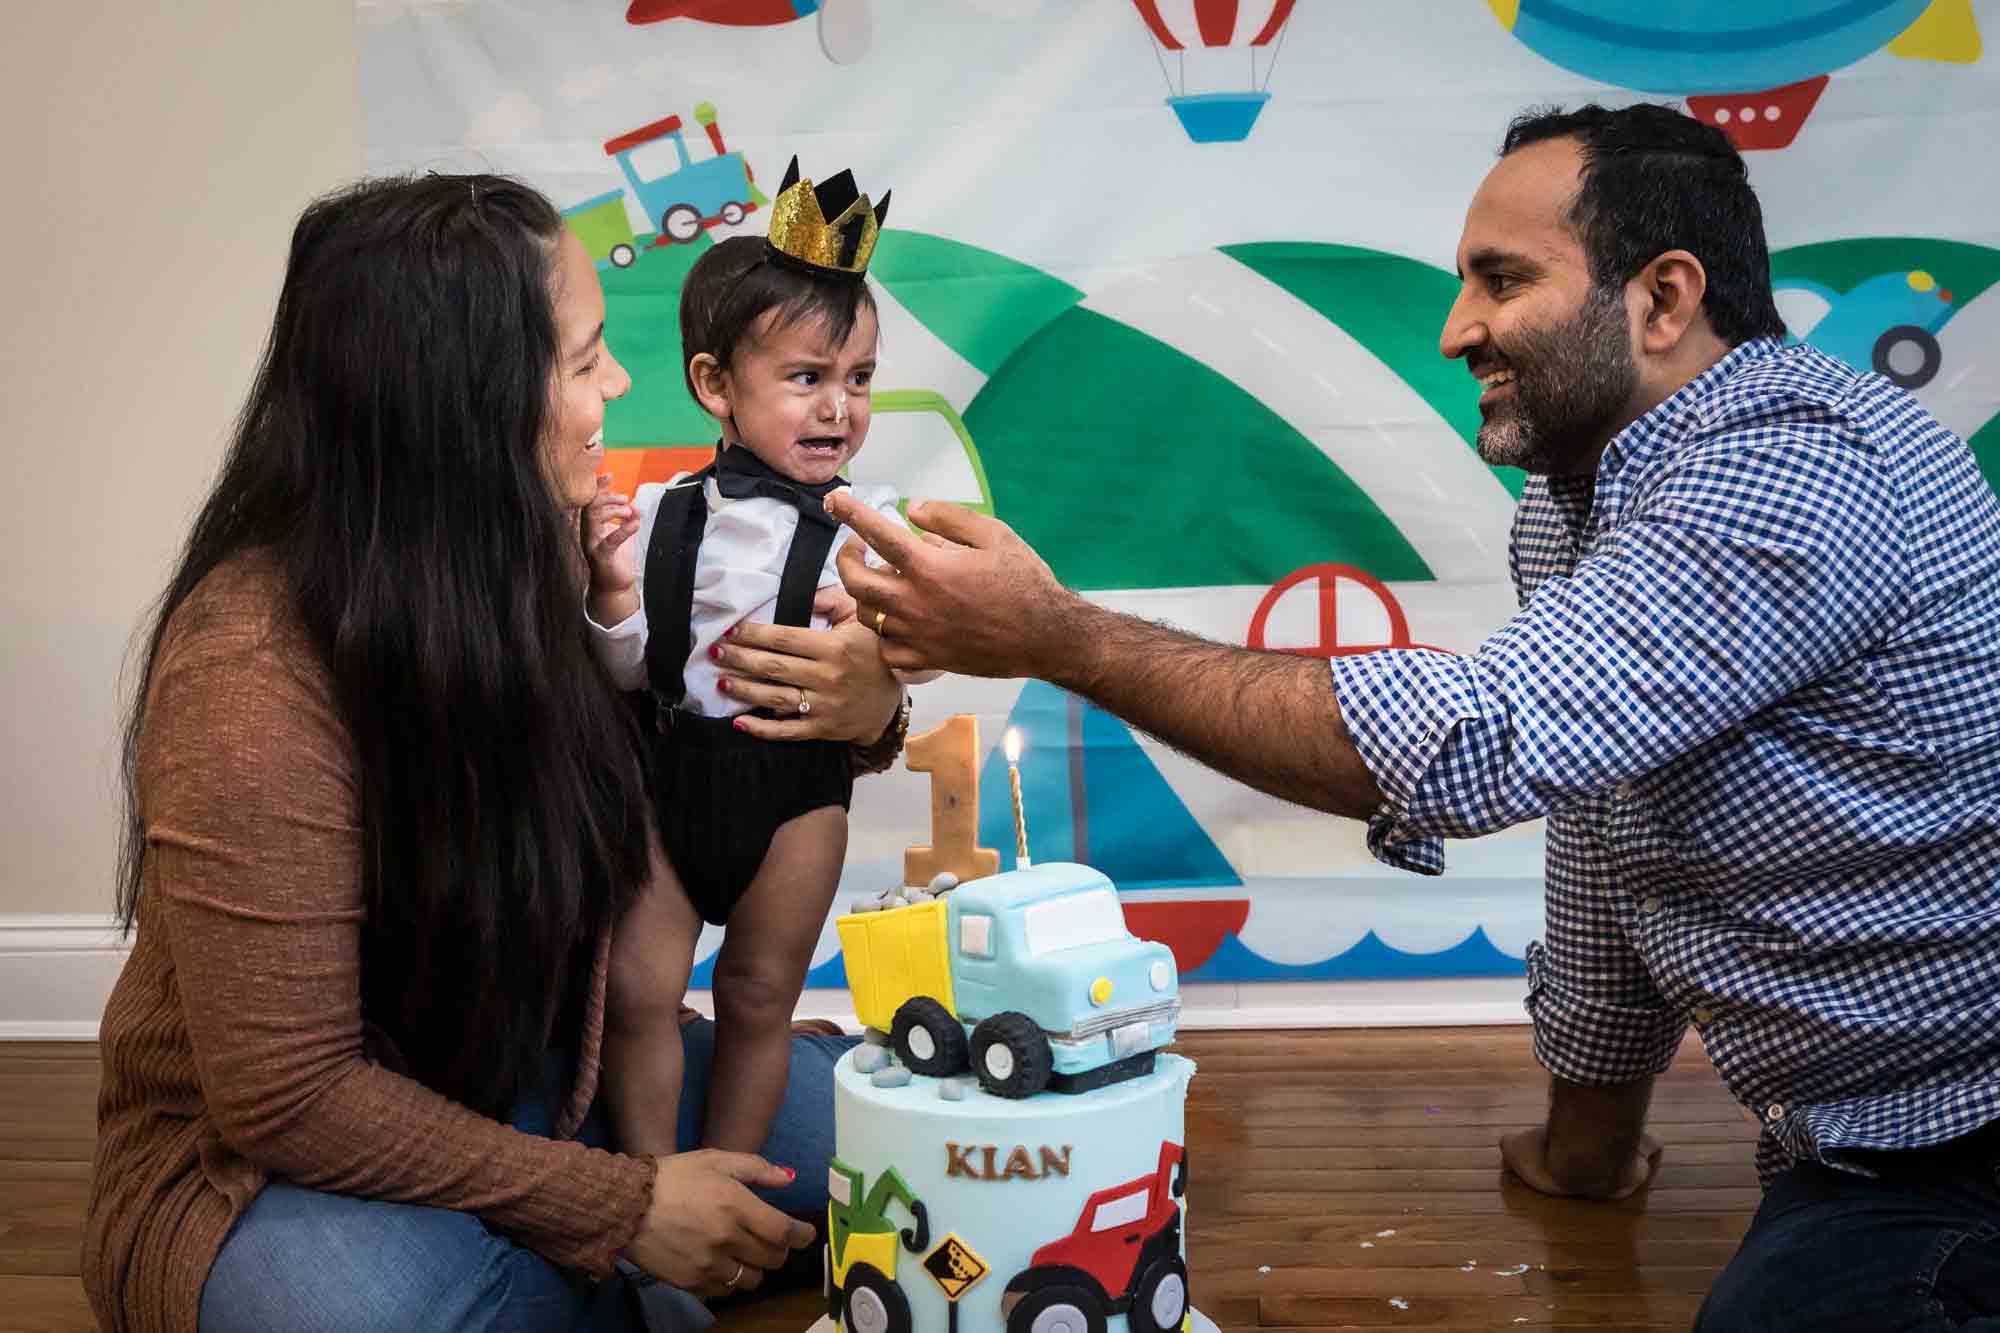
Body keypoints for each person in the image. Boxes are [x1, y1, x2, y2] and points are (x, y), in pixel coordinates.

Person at [807, 104, 2000, 1328]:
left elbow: (1469, 739)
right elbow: (1598, 816)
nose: (1453, 330)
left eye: (1500, 280)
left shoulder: (1797, 461)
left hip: (1960, 1128)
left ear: (1662, 297)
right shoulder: (1571, 501)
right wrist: (1584, 1143)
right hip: (1844, 1141)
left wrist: (1055, 634)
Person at [83, 172, 899, 1333]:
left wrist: (869, 713)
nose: (619, 383)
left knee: (895, 1143)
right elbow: (287, 1094)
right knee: (366, 1311)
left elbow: (684, 735)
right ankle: (597, 1275)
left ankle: (579, 1265)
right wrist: (618, 1204)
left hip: (547, 1072)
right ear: (466, 398)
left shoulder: (549, 552)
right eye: (583, 359)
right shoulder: (249, 668)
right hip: (282, 1155)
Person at [580, 160, 931, 1164]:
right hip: (668, 781)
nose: (838, 409)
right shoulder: (656, 518)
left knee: (758, 992)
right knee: (641, 989)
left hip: (795, 798)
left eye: (858, 379)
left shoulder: (876, 528)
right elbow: (623, 674)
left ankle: (730, 1174)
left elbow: (924, 648)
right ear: (713, 387)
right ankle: (655, 1182)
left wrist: (883, 637)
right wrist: (608, 598)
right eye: (806, 378)